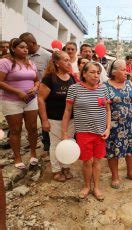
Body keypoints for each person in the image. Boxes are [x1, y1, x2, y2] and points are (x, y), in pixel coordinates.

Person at [62, 62, 111, 201]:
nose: (96, 75)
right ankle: (86, 186)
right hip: (83, 132)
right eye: (92, 72)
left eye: (98, 72)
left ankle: (96, 187)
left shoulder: (104, 89)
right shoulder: (74, 89)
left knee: (97, 161)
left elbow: (108, 110)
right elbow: (67, 111)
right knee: (87, 161)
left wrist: (108, 128)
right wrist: (64, 133)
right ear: (84, 73)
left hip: (101, 132)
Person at [104, 60, 132, 188]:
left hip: (130, 124)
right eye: (123, 69)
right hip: (113, 126)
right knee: (113, 151)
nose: (126, 72)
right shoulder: (105, 86)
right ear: (114, 72)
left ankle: (130, 172)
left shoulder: (130, 84)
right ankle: (115, 177)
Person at [0, 38, 40, 169]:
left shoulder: (31, 63)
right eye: (22, 47)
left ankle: (33, 154)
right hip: (12, 101)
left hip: (30, 100)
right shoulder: (5, 62)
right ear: (13, 49)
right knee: (15, 130)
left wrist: (35, 88)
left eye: (26, 47)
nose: (25, 49)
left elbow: (36, 80)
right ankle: (17, 158)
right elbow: (0, 82)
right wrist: (18, 92)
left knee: (33, 128)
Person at [38, 51, 76, 182]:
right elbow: (41, 99)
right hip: (54, 118)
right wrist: (44, 120)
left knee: (68, 142)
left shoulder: (71, 78)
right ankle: (56, 170)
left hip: (71, 119)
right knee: (55, 144)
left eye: (69, 60)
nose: (68, 62)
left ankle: (66, 167)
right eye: (65, 60)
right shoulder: (49, 78)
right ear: (57, 63)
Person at [19, 32, 52, 151]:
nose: (24, 49)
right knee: (31, 123)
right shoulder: (24, 57)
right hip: (27, 96)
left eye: (26, 46)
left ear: (33, 43)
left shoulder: (47, 55)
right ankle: (38, 141)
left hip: (44, 96)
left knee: (46, 119)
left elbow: (52, 75)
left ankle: (48, 144)